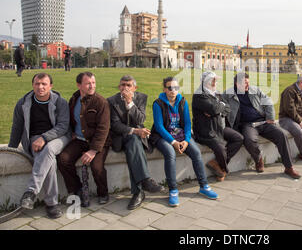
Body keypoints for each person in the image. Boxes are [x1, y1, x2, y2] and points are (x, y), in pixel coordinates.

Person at [8, 73, 71, 219]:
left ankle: (31, 192)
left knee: (48, 148)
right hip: (35, 139)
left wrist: (44, 137)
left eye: (44, 84)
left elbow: (63, 126)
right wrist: (11, 149)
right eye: (37, 84)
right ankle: (52, 204)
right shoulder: (23, 103)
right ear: (32, 85)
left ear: (51, 86)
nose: (40, 87)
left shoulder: (60, 102)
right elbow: (17, 127)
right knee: (49, 161)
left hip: (59, 137)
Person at [149, 76, 219, 207]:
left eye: (176, 88)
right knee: (170, 153)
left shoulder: (183, 102)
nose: (173, 90)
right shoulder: (157, 104)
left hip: (180, 134)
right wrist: (173, 142)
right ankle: (173, 190)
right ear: (164, 89)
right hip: (162, 136)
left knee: (196, 153)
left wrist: (186, 140)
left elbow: (187, 123)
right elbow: (159, 126)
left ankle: (203, 186)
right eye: (170, 88)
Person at [221, 72, 301, 177]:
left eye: (248, 83)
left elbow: (268, 102)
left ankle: (289, 167)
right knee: (249, 140)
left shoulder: (255, 90)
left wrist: (270, 117)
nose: (247, 85)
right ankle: (258, 159)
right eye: (244, 83)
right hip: (247, 125)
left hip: (263, 122)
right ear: (236, 84)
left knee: (281, 135)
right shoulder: (227, 94)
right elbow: (221, 110)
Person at [108, 75, 163, 210]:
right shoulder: (111, 101)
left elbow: (140, 119)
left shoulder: (141, 98)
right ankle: (145, 181)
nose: (125, 88)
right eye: (122, 85)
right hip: (120, 138)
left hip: (136, 138)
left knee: (133, 143)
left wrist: (130, 103)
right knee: (134, 140)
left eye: (128, 85)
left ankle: (138, 192)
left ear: (135, 88)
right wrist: (135, 131)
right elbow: (115, 125)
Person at [57, 72, 111, 207]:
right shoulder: (74, 99)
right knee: (63, 159)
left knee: (96, 167)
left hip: (98, 143)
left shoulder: (101, 102)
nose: (92, 86)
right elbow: (70, 120)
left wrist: (93, 151)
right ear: (79, 85)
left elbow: (103, 129)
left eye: (93, 83)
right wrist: (72, 133)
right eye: (88, 83)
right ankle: (77, 189)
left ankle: (103, 193)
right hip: (79, 140)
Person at [192, 71, 244, 181]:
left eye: (215, 80)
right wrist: (218, 108)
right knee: (221, 149)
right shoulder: (199, 95)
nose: (215, 82)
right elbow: (213, 109)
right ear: (205, 82)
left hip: (219, 127)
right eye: (213, 80)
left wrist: (217, 110)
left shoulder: (216, 93)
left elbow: (227, 109)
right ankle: (223, 170)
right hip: (206, 131)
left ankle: (216, 164)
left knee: (238, 138)